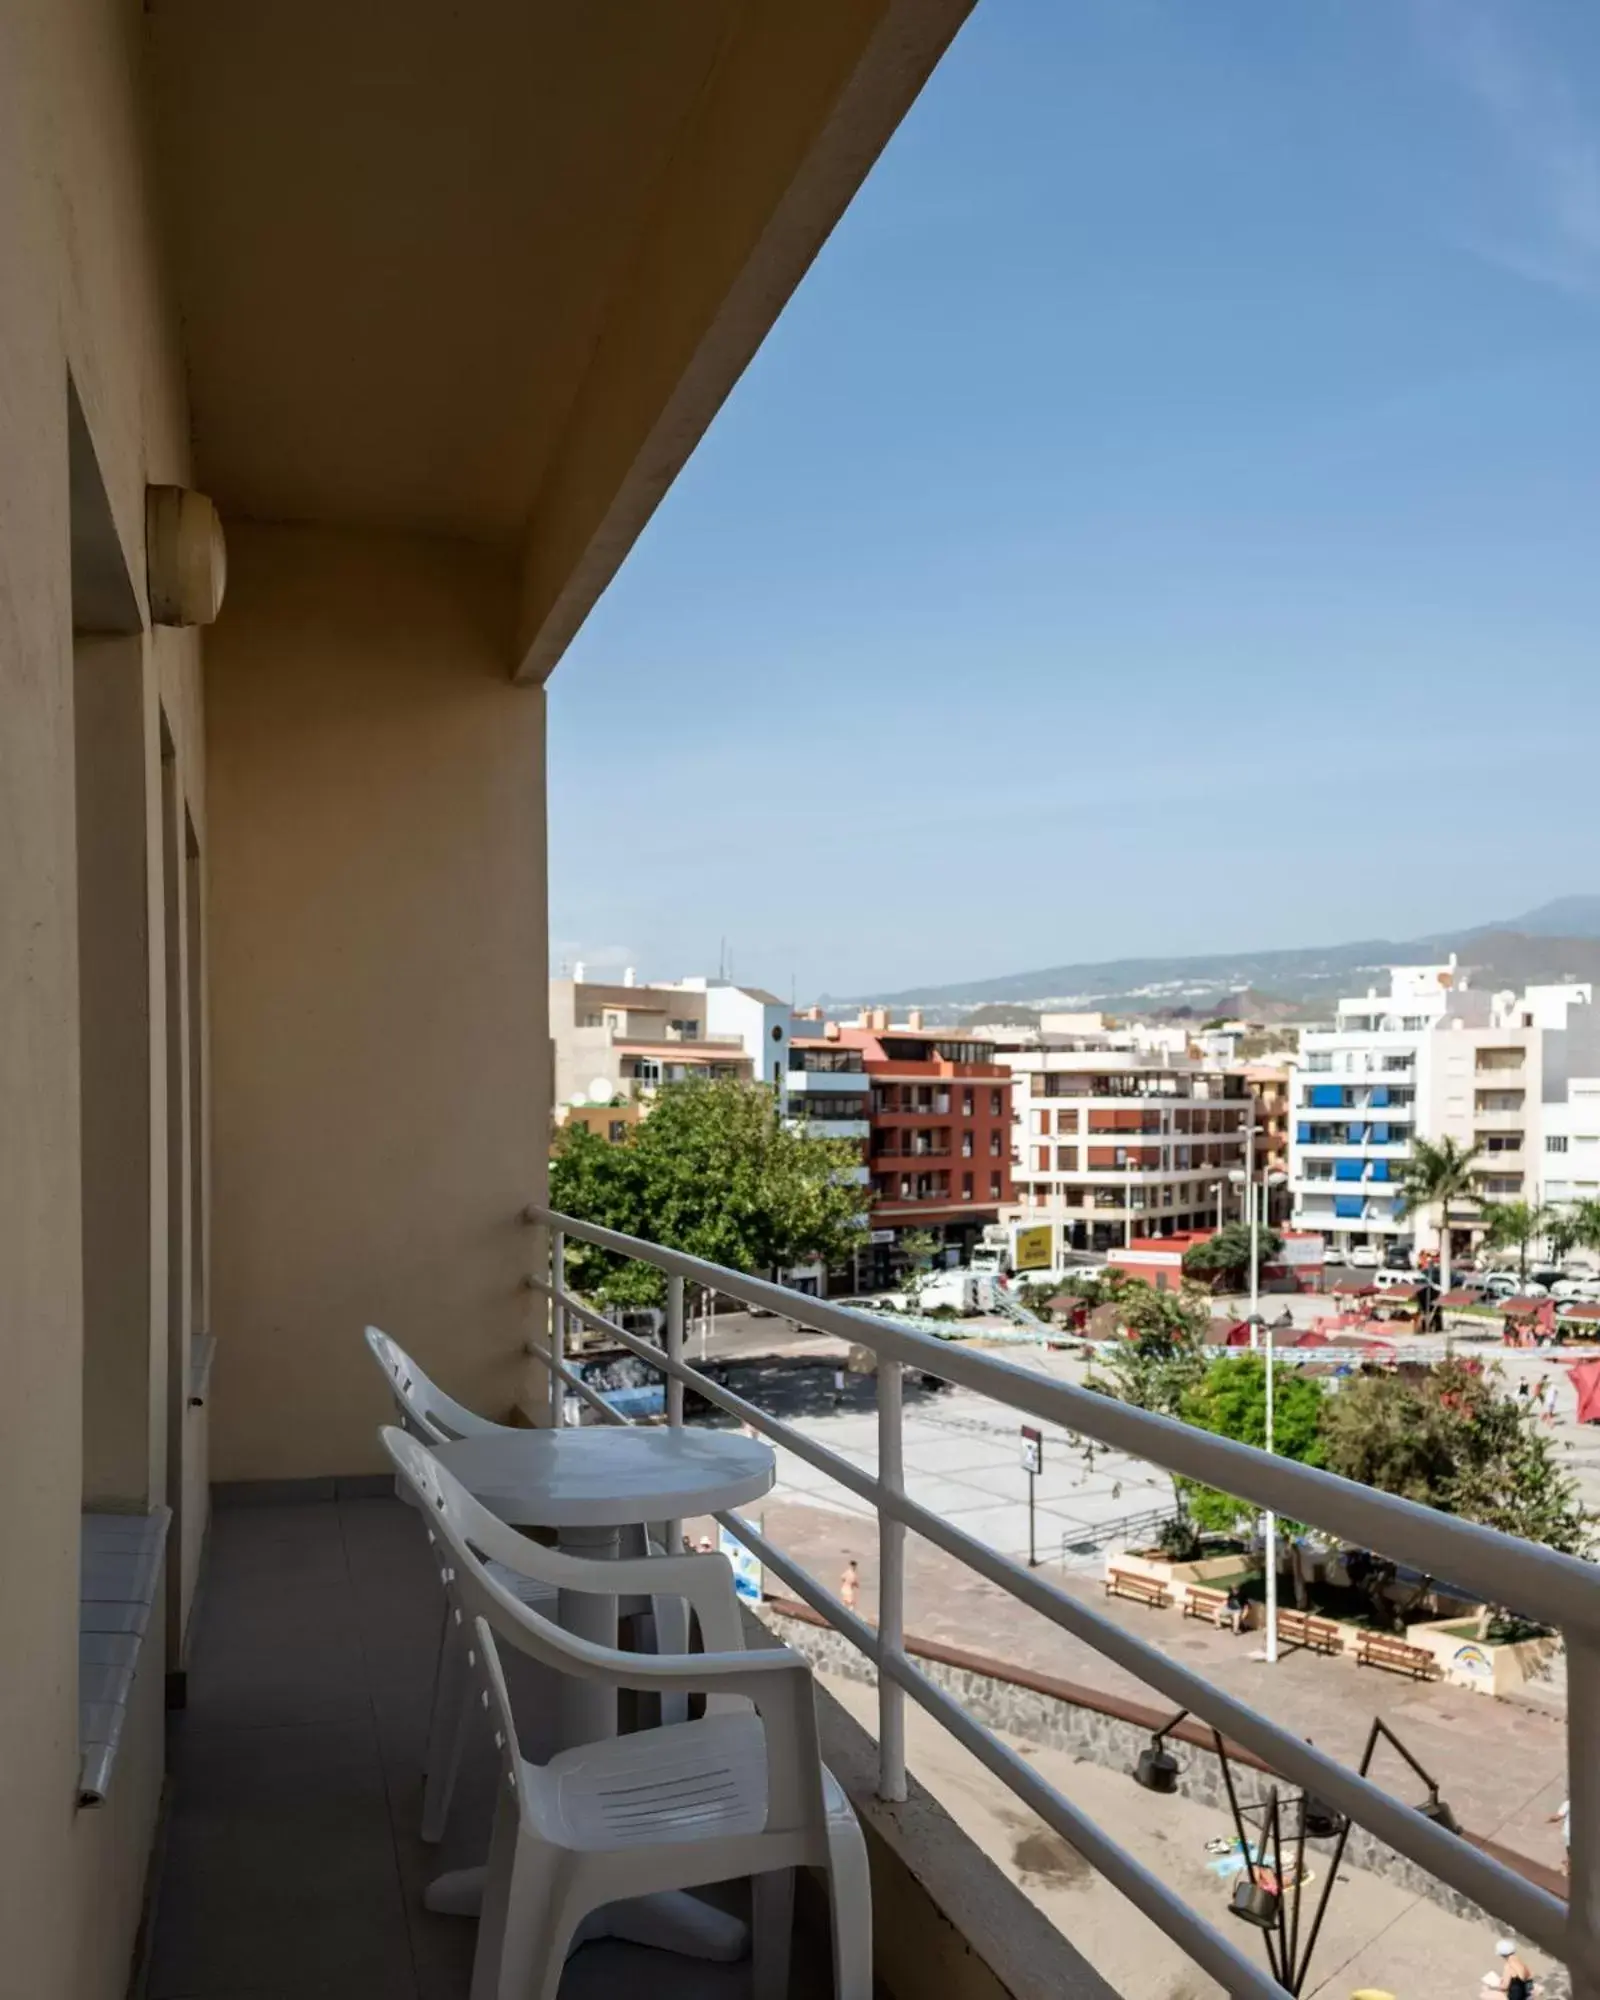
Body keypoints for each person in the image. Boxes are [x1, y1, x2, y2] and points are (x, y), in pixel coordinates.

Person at [1549, 1797, 1569, 1875]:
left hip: (1569, 1833)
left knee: (1570, 1852)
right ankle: (1568, 1865)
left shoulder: (1567, 1803)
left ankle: (1567, 1870)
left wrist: (1549, 1820)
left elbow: (1558, 1817)